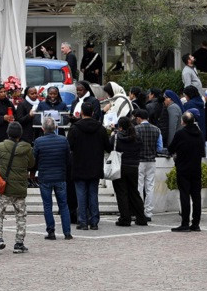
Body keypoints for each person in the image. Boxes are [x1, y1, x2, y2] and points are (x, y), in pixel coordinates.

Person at [0, 121, 35, 254]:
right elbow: (32, 164)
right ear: (20, 135)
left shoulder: (0, 146)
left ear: (8, 133)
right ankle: (19, 243)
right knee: (21, 215)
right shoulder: (27, 148)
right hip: (20, 188)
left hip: (5, 187)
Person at [67, 101, 109, 230]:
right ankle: (94, 221)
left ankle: (83, 221)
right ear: (92, 113)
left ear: (82, 113)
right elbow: (108, 147)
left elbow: (69, 146)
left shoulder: (74, 128)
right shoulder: (100, 128)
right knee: (93, 194)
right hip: (95, 166)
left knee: (81, 194)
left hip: (79, 165)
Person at [33, 115, 72, 240]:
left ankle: (51, 232)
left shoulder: (38, 141)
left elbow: (34, 160)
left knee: (47, 205)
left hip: (45, 177)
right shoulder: (63, 140)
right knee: (63, 205)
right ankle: (67, 232)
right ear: (55, 127)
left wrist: (32, 173)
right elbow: (68, 159)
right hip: (60, 176)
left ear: (43, 128)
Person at [168, 111, 205, 232]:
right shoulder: (199, 133)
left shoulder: (181, 133)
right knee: (196, 196)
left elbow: (171, 148)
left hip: (183, 167)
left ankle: (185, 223)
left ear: (183, 121)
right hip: (196, 168)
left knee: (184, 195)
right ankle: (196, 223)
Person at [110, 117, 148, 227]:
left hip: (119, 167)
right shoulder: (137, 138)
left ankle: (125, 218)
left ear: (120, 126)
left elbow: (109, 147)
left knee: (121, 193)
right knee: (134, 192)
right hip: (133, 167)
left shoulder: (116, 137)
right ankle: (141, 217)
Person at [133, 108, 163, 221]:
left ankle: (139, 212)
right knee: (149, 187)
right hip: (151, 160)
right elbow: (159, 148)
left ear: (139, 118)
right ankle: (148, 213)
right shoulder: (157, 130)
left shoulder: (136, 129)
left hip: (139, 161)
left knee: (139, 187)